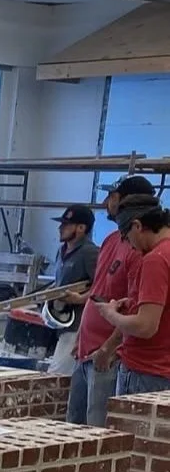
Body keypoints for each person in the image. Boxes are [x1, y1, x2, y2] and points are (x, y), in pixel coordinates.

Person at [68, 176, 152, 426]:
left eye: (112, 197)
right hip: (85, 351)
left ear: (127, 202)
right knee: (72, 425)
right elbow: (99, 289)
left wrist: (108, 348)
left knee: (96, 432)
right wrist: (80, 337)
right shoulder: (110, 240)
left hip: (107, 358)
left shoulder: (139, 251)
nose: (107, 203)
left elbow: (136, 307)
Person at [95, 198, 170, 396]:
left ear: (137, 226)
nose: (131, 246)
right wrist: (135, 304)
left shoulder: (156, 259)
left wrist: (110, 314)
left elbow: (146, 327)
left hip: (146, 373)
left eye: (127, 238)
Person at [44, 205, 100, 378]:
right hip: (61, 322)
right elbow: (60, 282)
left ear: (81, 228)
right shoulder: (61, 252)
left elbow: (102, 287)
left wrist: (80, 299)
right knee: (61, 373)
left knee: (56, 375)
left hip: (77, 326)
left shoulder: (90, 253)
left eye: (67, 224)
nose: (61, 228)